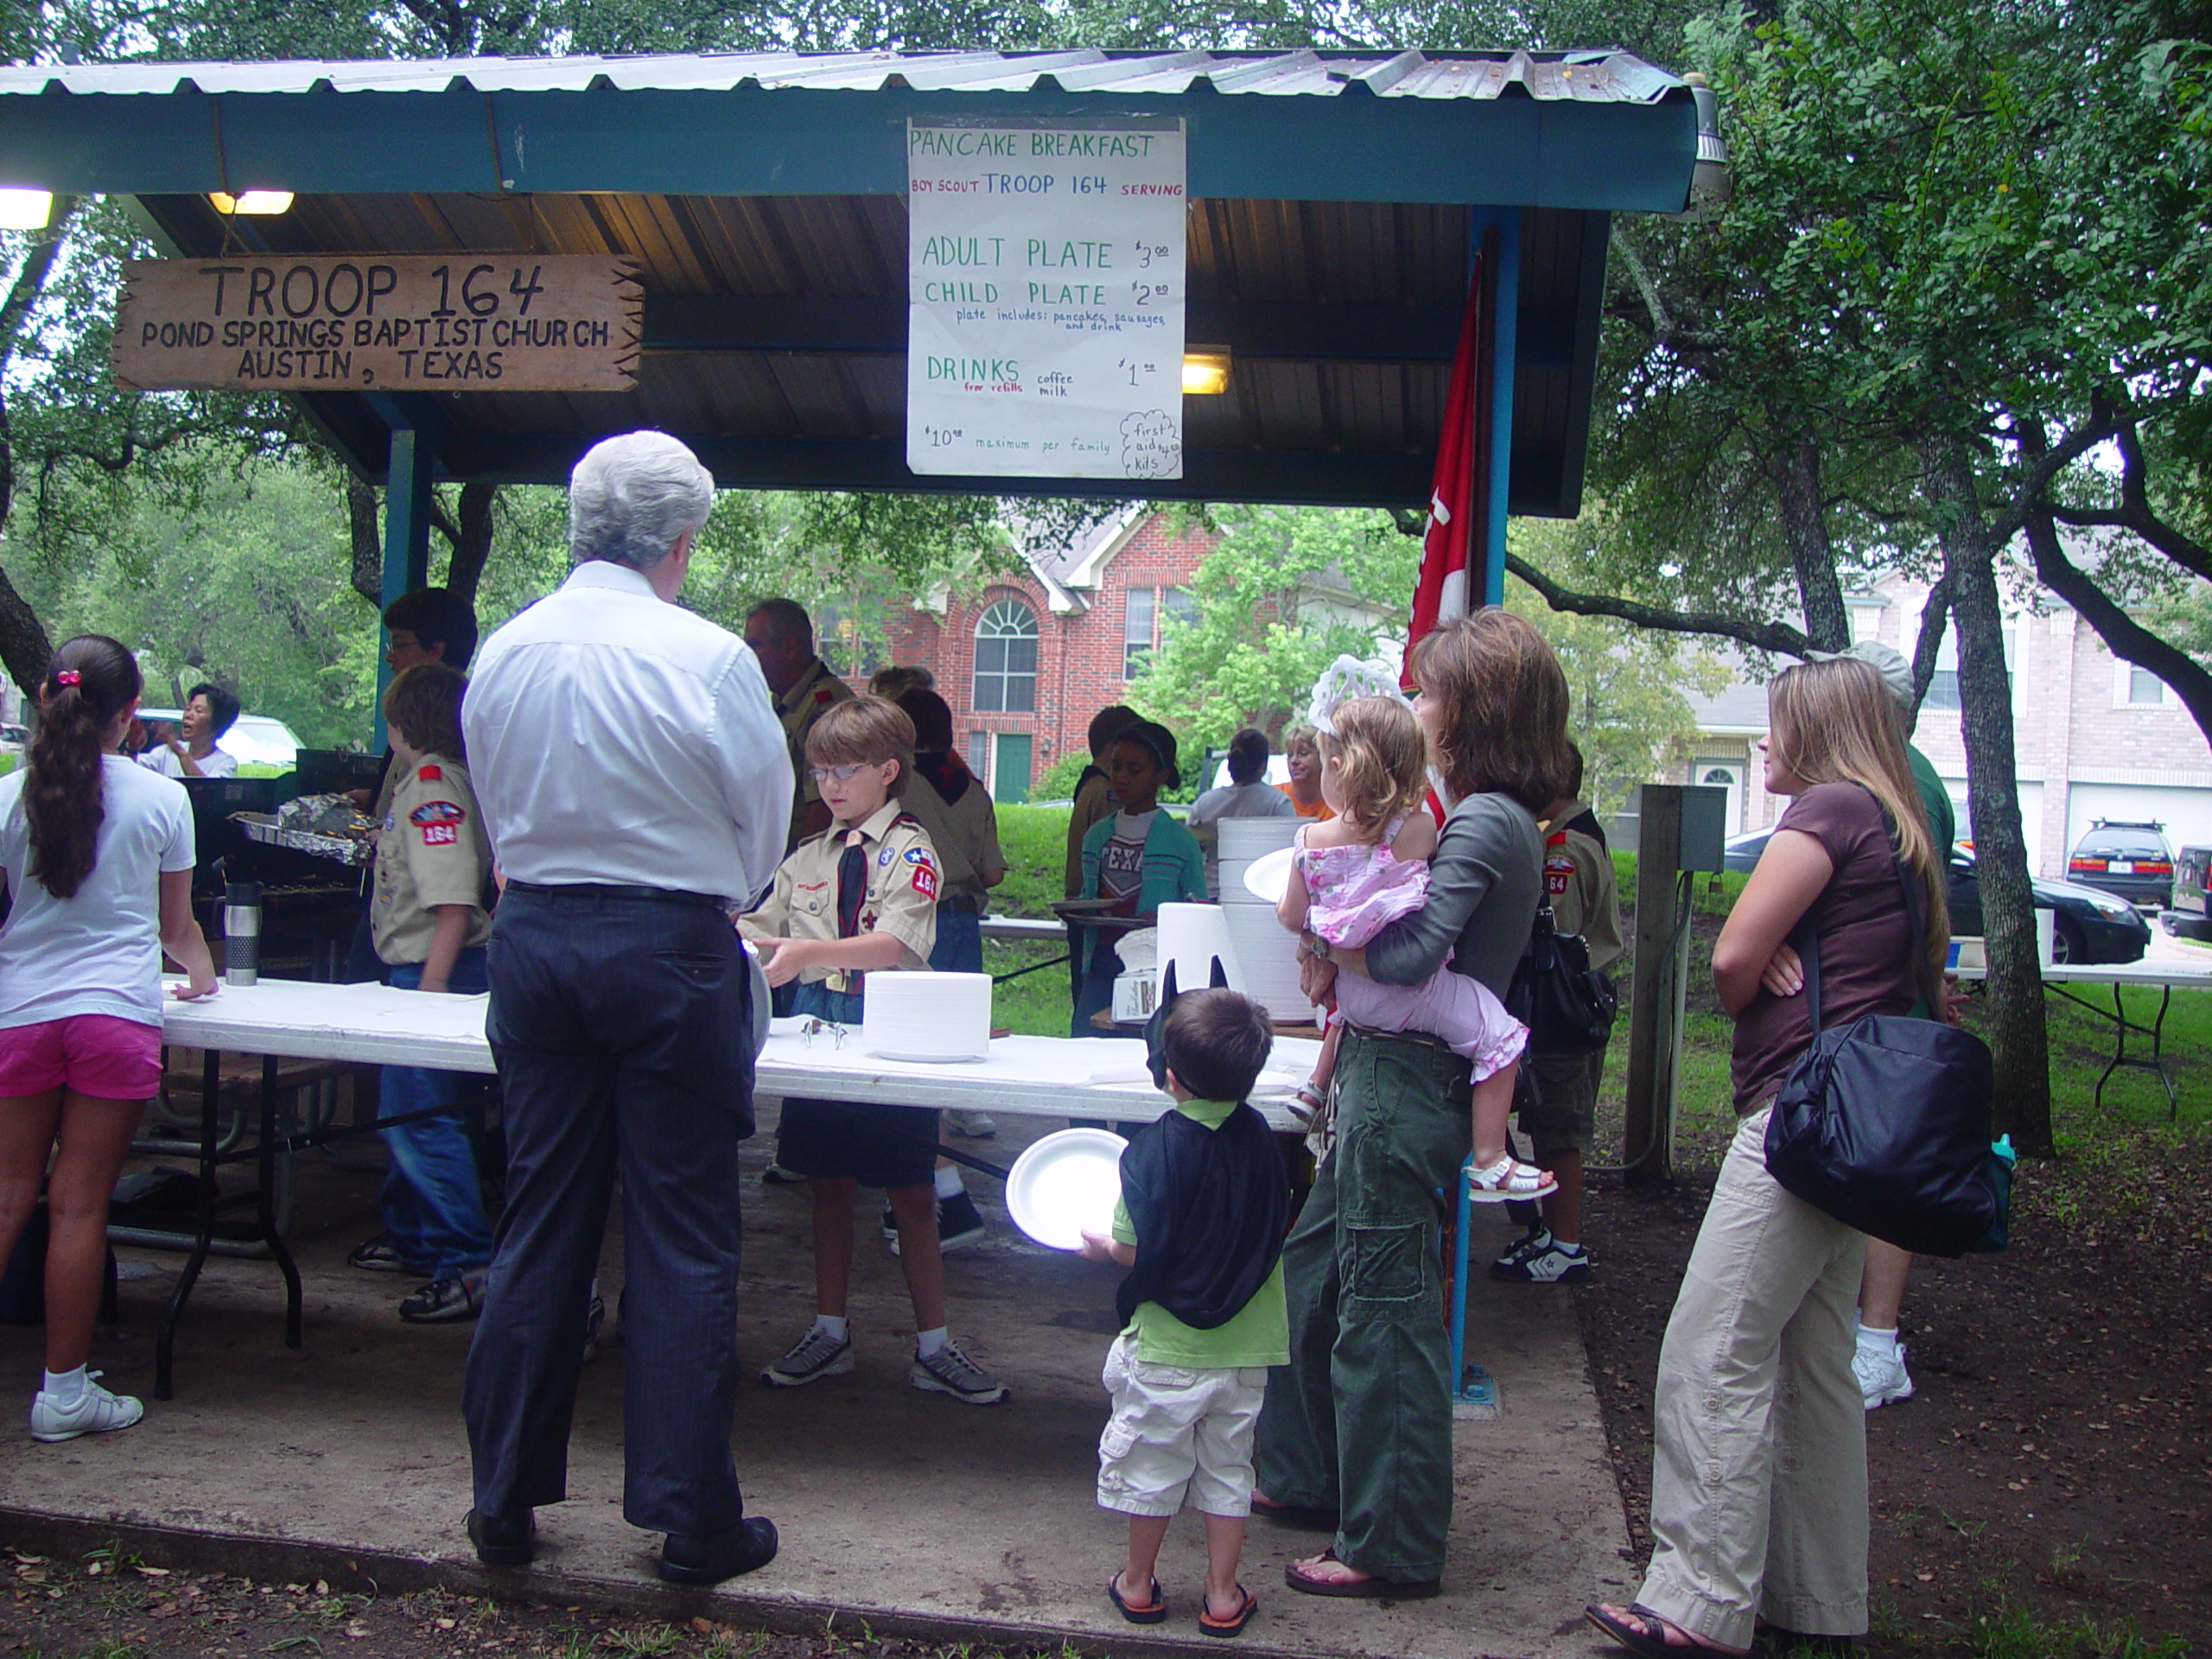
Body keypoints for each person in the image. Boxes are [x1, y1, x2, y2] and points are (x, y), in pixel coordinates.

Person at [459, 431, 789, 1586]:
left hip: (539, 936)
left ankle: (500, 1498)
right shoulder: (705, 659)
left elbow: (494, 810)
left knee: (541, 1215)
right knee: (682, 1230)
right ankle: (690, 1519)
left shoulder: (504, 651)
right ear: (681, 542)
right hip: (667, 944)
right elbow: (760, 829)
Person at [1586, 654, 1946, 1658]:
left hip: (1797, 1121)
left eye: (1778, 724)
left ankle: (1697, 1600)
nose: (1764, 743)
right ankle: (1817, 1601)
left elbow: (1735, 958)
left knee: (1713, 1346)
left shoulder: (1825, 812)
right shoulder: (1897, 826)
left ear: (1820, 733)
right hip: (1859, 1134)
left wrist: (1760, 967)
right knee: (1818, 1364)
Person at [1254, 609, 1562, 1598]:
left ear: (1471, 706)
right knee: (1311, 1276)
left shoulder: (1481, 821)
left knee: (1383, 1317)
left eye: (1427, 691)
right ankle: (1307, 1477)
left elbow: (1405, 954)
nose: (1414, 705)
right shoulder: (1468, 816)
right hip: (1380, 1076)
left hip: (1408, 1083)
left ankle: (1386, 1544)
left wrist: (1325, 945)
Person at [741, 696, 1007, 1406]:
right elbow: (756, 925)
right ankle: (829, 1332)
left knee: (912, 1193)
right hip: (821, 1027)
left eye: (845, 770)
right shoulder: (807, 857)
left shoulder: (911, 850)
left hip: (894, 1029)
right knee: (826, 1187)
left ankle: (935, 1346)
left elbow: (896, 944)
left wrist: (806, 952)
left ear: (888, 771)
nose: (829, 785)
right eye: (819, 770)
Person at [0, 637, 218, 1442]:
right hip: (115, 1018)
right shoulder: (163, 800)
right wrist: (199, 976)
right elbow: (176, 928)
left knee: (8, 1193)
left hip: (19, 1013)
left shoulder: (6, 798)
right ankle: (64, 1394)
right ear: (130, 715)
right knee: (80, 1203)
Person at [1080, 988, 1288, 1640]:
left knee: (1152, 1464)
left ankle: (1138, 1583)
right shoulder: (1263, 1137)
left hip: (1167, 1346)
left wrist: (1097, 1247)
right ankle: (1223, 1595)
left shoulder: (1151, 1152)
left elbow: (1131, 1248)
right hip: (1247, 1343)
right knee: (1230, 1468)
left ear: (1170, 1077)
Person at [1278, 692, 1545, 1200]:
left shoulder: (1308, 841)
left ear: (1335, 766)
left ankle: (1314, 1089)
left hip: (1352, 998)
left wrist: (1319, 943)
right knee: (1502, 1036)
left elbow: (1292, 915)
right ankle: (1490, 1157)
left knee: (1344, 1015)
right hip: (1409, 994)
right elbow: (1417, 933)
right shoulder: (1418, 828)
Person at [1819, 640, 1955, 1412]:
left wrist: (1930, 994)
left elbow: (1928, 907)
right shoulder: (1875, 779)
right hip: (1872, 1012)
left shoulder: (1906, 781)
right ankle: (1851, 1331)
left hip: (1887, 1020)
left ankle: (1878, 1344)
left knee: (1884, 1174)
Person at [346, 664, 497, 1324]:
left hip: (435, 973)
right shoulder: (437, 782)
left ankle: (466, 1264)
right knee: (418, 1112)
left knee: (420, 1119)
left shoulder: (432, 789)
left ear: (405, 723)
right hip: (430, 973)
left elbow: (453, 904)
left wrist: (430, 995)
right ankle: (413, 1234)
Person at [1494, 739, 1624, 1285]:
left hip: (1566, 1011)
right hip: (1565, 1009)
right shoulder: (1571, 836)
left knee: (1560, 1130)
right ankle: (1550, 1230)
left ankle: (1567, 1244)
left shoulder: (1563, 851)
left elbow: (1557, 938)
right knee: (1547, 1125)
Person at [888, 684, 1004, 1199]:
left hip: (917, 914)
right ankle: (965, 1104)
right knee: (961, 1018)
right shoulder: (973, 788)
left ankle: (917, 1127)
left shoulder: (899, 788)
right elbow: (993, 872)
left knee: (915, 1025)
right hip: (962, 917)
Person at [1072, 721, 1206, 1037]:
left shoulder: (1180, 842)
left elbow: (1199, 910)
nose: (1121, 778)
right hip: (1102, 963)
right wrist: (1080, 911)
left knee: (1143, 1046)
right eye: (1116, 767)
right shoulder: (1096, 837)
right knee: (1086, 1043)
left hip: (1154, 969)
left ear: (1161, 775)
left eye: (1135, 770)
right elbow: (1087, 896)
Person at [744, 598, 856, 855]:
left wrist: (799, 873)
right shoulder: (779, 702)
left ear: (789, 647)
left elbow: (827, 803)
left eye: (755, 645)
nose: (747, 655)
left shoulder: (828, 707)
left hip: (797, 863)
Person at [1186, 728, 1294, 895]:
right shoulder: (1277, 803)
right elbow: (1289, 855)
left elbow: (1190, 850)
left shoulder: (1205, 803)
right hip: (1257, 893)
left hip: (1207, 892)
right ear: (1263, 765)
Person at [137, 682, 240, 779]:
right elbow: (133, 767)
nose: (188, 715)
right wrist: (133, 747)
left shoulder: (225, 763)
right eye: (188, 709)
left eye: (198, 711)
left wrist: (180, 752)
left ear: (217, 725)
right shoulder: (165, 752)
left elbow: (209, 791)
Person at [1274, 724, 1334, 822]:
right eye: (1290, 754)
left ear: (1323, 757)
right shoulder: (1275, 798)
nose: (1294, 761)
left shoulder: (1338, 801)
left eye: (1303, 753)